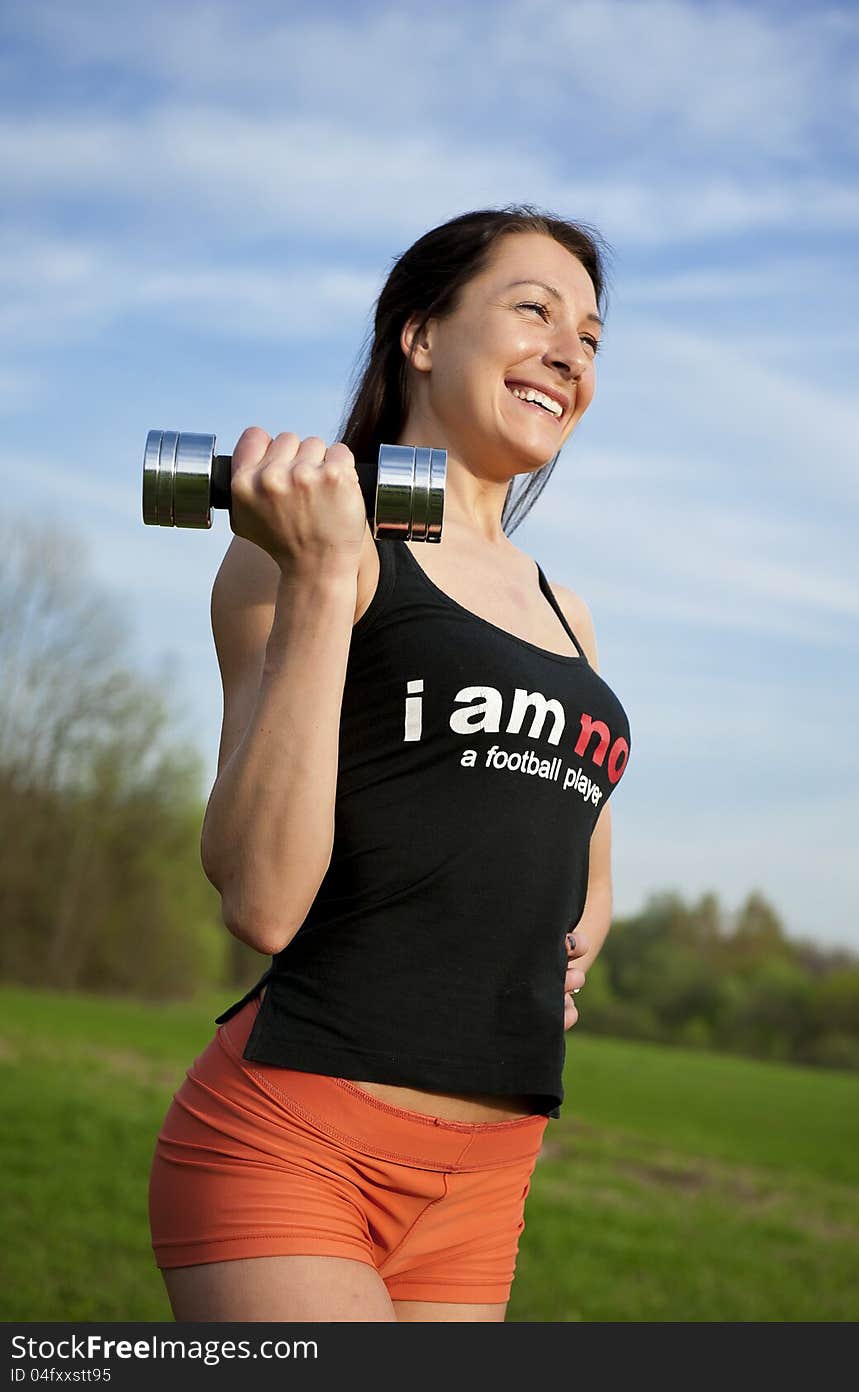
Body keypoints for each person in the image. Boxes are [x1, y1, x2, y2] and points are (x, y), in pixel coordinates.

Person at [148, 205, 632, 1322]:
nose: (571, 351)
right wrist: (323, 577)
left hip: (488, 1177)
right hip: (296, 1147)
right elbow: (261, 898)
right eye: (533, 310)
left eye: (593, 337)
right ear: (419, 334)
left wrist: (572, 944)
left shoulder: (570, 614)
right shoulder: (296, 552)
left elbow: (584, 857)